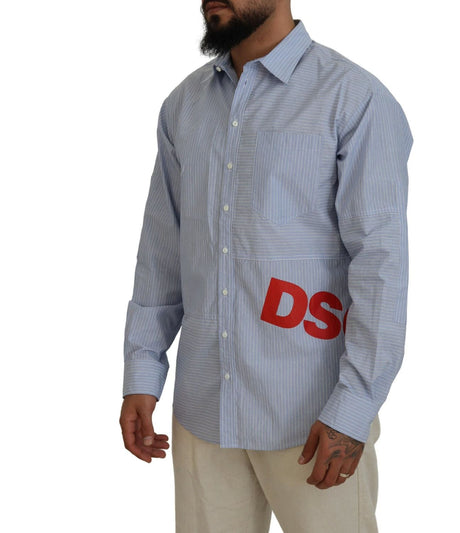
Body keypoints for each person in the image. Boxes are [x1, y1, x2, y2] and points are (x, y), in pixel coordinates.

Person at [119, 1, 413, 531]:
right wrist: (142, 371)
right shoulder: (183, 105)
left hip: (313, 418)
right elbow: (162, 250)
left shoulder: (353, 98)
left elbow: (381, 269)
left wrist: (353, 409)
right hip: (204, 410)